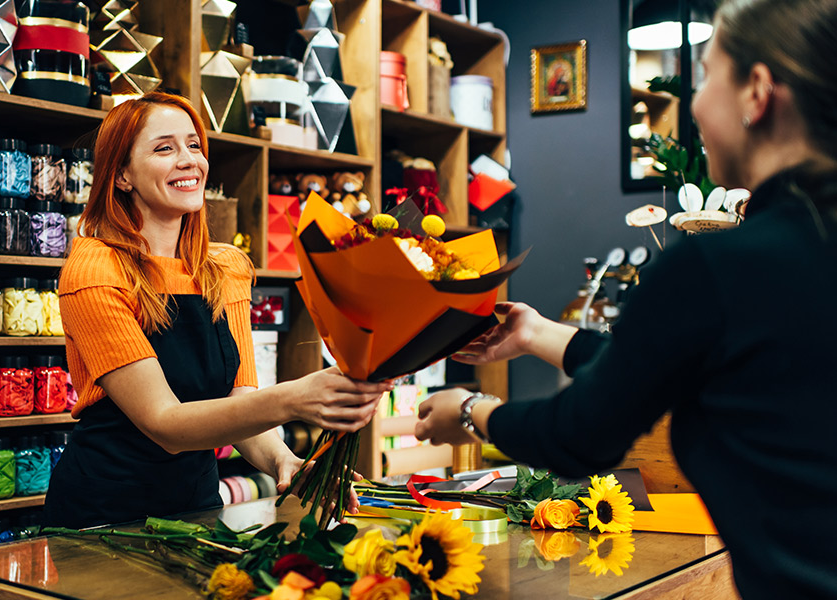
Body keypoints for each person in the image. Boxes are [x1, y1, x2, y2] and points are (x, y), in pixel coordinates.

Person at [414, 0, 837, 597]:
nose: (693, 103)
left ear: (757, 92)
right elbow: (666, 367)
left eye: (708, 73)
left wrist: (468, 410)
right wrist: (537, 335)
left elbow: (581, 432)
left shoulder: (722, 266)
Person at [44, 92, 388, 529]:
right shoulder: (95, 268)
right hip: (104, 517)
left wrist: (286, 461)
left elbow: (240, 405)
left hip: (199, 510)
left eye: (194, 145)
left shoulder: (225, 269)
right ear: (122, 175)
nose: (189, 160)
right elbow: (165, 424)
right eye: (164, 148)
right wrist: (294, 399)